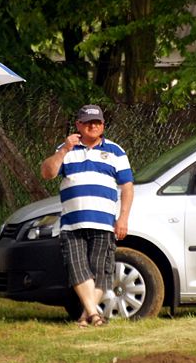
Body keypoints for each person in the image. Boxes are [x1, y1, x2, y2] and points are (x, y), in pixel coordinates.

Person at [41, 104, 134, 328]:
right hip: (72, 223)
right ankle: (94, 315)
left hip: (104, 222)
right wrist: (63, 150)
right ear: (78, 125)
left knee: (101, 270)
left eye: (97, 122)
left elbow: (128, 187)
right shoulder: (65, 149)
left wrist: (123, 219)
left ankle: (87, 315)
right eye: (88, 122)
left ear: (103, 125)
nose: (93, 126)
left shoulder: (116, 151)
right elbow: (47, 173)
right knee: (77, 267)